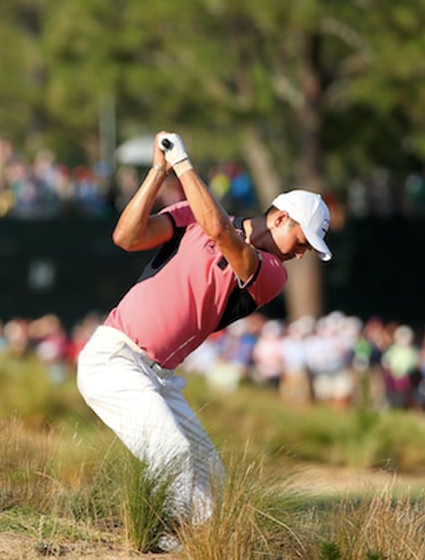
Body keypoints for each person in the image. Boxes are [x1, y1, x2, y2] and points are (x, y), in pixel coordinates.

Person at [75, 132, 334, 537]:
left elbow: (221, 233)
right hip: (113, 359)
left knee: (212, 480)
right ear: (280, 217)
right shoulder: (190, 215)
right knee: (172, 454)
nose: (301, 253)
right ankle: (160, 538)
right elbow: (126, 237)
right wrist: (159, 172)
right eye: (302, 241)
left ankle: (196, 544)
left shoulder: (272, 273)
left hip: (159, 378)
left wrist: (183, 164)